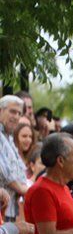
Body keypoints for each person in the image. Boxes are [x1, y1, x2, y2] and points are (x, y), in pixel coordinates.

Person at [0, 95, 28, 223]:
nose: (16, 116)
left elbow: (21, 170)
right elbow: (4, 172)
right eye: (12, 111)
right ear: (1, 110)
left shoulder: (10, 138)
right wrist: (23, 189)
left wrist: (24, 187)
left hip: (10, 208)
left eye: (19, 113)